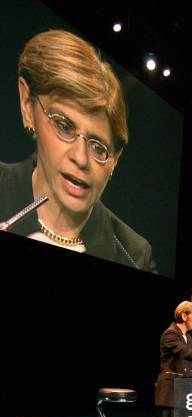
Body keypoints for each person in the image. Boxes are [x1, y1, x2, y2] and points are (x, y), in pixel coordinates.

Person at [0, 29, 157, 272]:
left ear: (115, 160)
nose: (81, 158)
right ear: (27, 104)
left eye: (99, 147)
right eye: (64, 126)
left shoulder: (134, 255)